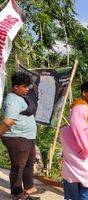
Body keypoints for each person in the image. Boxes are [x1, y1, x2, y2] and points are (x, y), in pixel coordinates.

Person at [0, 72, 39, 200]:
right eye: (25, 86)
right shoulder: (13, 100)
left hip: (26, 137)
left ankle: (29, 188)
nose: (27, 89)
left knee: (29, 163)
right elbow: (7, 122)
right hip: (17, 137)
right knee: (18, 166)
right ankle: (18, 194)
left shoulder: (21, 97)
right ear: (16, 87)